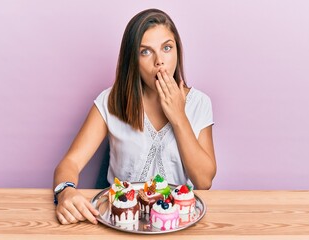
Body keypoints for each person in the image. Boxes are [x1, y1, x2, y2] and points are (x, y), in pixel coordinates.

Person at [53, 8, 217, 225]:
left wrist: (179, 116)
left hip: (176, 223)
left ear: (177, 50)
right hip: (121, 220)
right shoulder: (110, 100)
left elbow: (204, 181)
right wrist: (65, 191)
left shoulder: (200, 103)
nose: (160, 61)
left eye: (167, 48)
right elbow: (70, 162)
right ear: (133, 59)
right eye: (146, 52)